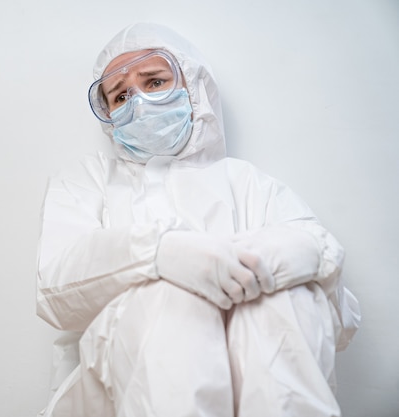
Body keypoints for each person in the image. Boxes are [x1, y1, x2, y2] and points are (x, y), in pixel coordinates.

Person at [35, 23, 360, 417]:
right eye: (120, 95)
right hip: (112, 389)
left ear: (193, 87)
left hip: (254, 389)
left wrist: (308, 257)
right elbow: (56, 292)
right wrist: (158, 255)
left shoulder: (248, 184)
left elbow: (340, 320)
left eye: (154, 82)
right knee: (170, 300)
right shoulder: (88, 183)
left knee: (285, 300)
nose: (138, 101)